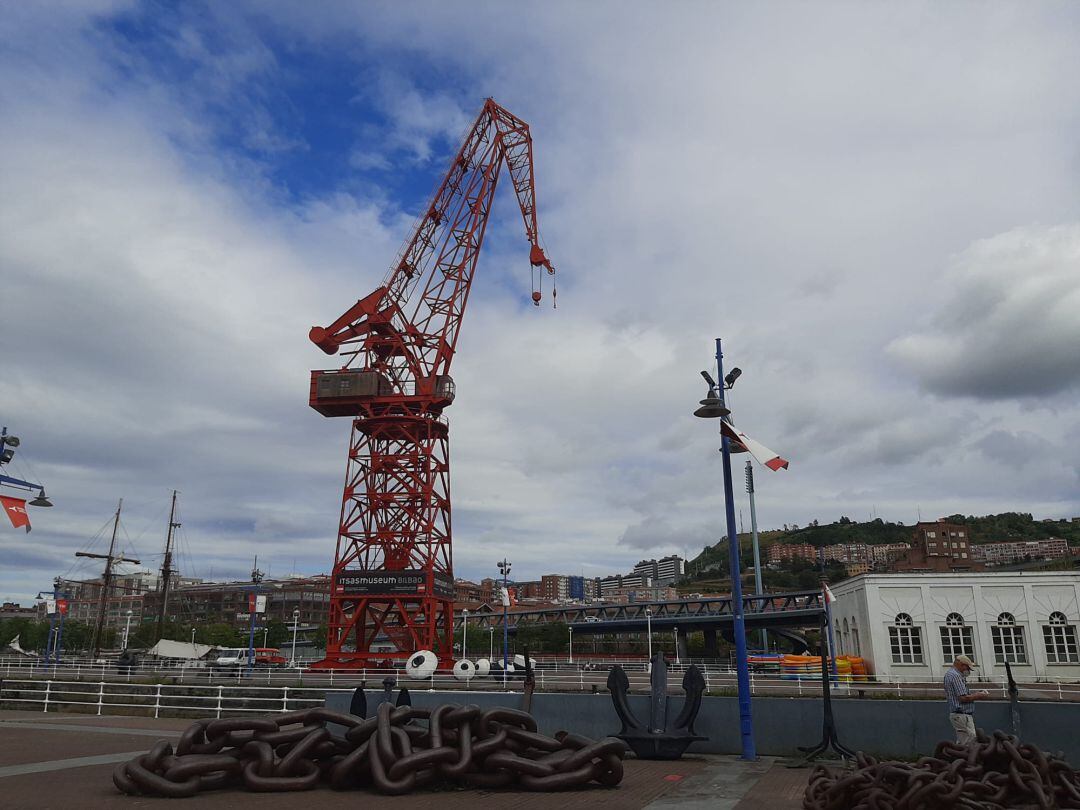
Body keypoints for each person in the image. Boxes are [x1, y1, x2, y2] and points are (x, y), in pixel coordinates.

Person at [944, 654, 989, 744]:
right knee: (969, 741)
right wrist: (979, 695)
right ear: (962, 665)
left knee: (962, 741)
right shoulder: (956, 676)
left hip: (957, 715)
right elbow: (963, 698)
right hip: (962, 714)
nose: (968, 671)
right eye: (968, 668)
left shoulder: (949, 674)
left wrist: (975, 694)